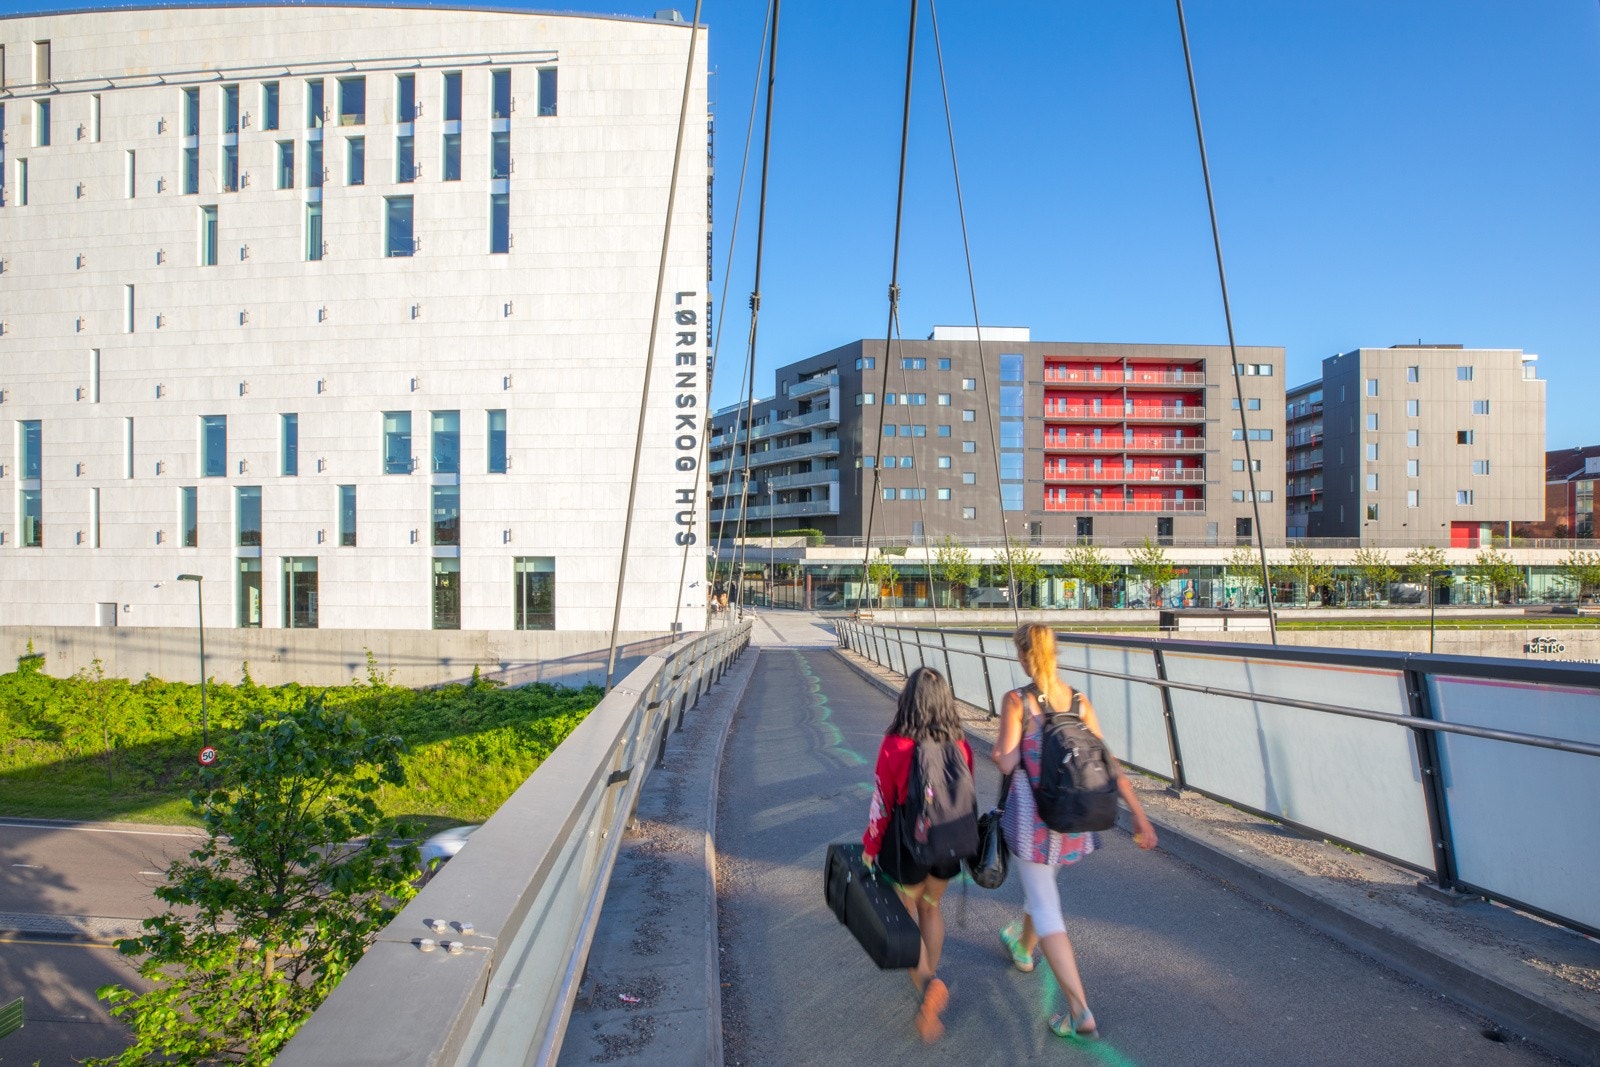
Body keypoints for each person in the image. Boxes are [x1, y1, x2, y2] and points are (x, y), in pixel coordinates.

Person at [991, 623, 1158, 1041]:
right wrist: (1138, 814)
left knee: (1047, 907)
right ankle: (1024, 948)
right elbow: (1109, 760)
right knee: (1041, 888)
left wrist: (1007, 748)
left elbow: (1006, 762)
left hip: (1034, 822)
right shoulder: (1080, 702)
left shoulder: (1019, 700)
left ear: (1023, 655)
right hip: (1071, 821)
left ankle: (1079, 1010)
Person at [863, 667, 974, 1043]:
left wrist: (869, 848)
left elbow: (882, 804)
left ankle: (929, 983)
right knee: (931, 907)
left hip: (905, 846)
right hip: (946, 845)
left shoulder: (895, 744)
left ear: (907, 700)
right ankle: (931, 974)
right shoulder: (960, 745)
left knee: (904, 917)